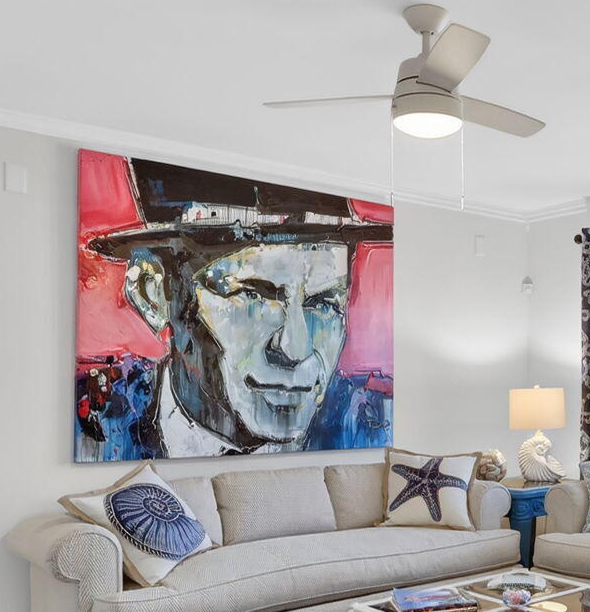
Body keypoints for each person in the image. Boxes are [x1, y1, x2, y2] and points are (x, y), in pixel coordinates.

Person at [79, 159, 391, 458]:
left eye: (323, 303)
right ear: (153, 294)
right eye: (251, 295)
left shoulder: (374, 428)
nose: (296, 349)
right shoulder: (91, 427)